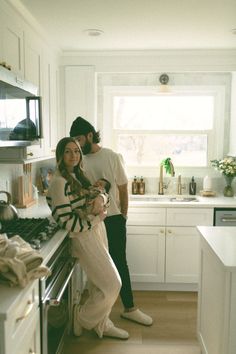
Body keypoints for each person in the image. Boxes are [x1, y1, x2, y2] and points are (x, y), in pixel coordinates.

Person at [70, 117, 153, 326]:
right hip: (91, 221)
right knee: (97, 268)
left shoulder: (112, 156)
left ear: (90, 136)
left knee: (119, 263)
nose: (77, 146)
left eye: (79, 139)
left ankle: (130, 308)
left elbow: (124, 187)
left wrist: (124, 215)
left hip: (114, 219)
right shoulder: (78, 160)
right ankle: (100, 318)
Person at [46, 137, 129, 339]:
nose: (73, 155)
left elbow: (102, 195)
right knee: (112, 284)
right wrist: (96, 218)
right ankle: (83, 318)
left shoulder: (78, 176)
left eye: (76, 151)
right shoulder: (59, 182)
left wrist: (102, 198)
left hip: (96, 230)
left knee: (98, 285)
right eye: (68, 151)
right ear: (60, 155)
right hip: (83, 236)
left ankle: (102, 324)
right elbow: (67, 221)